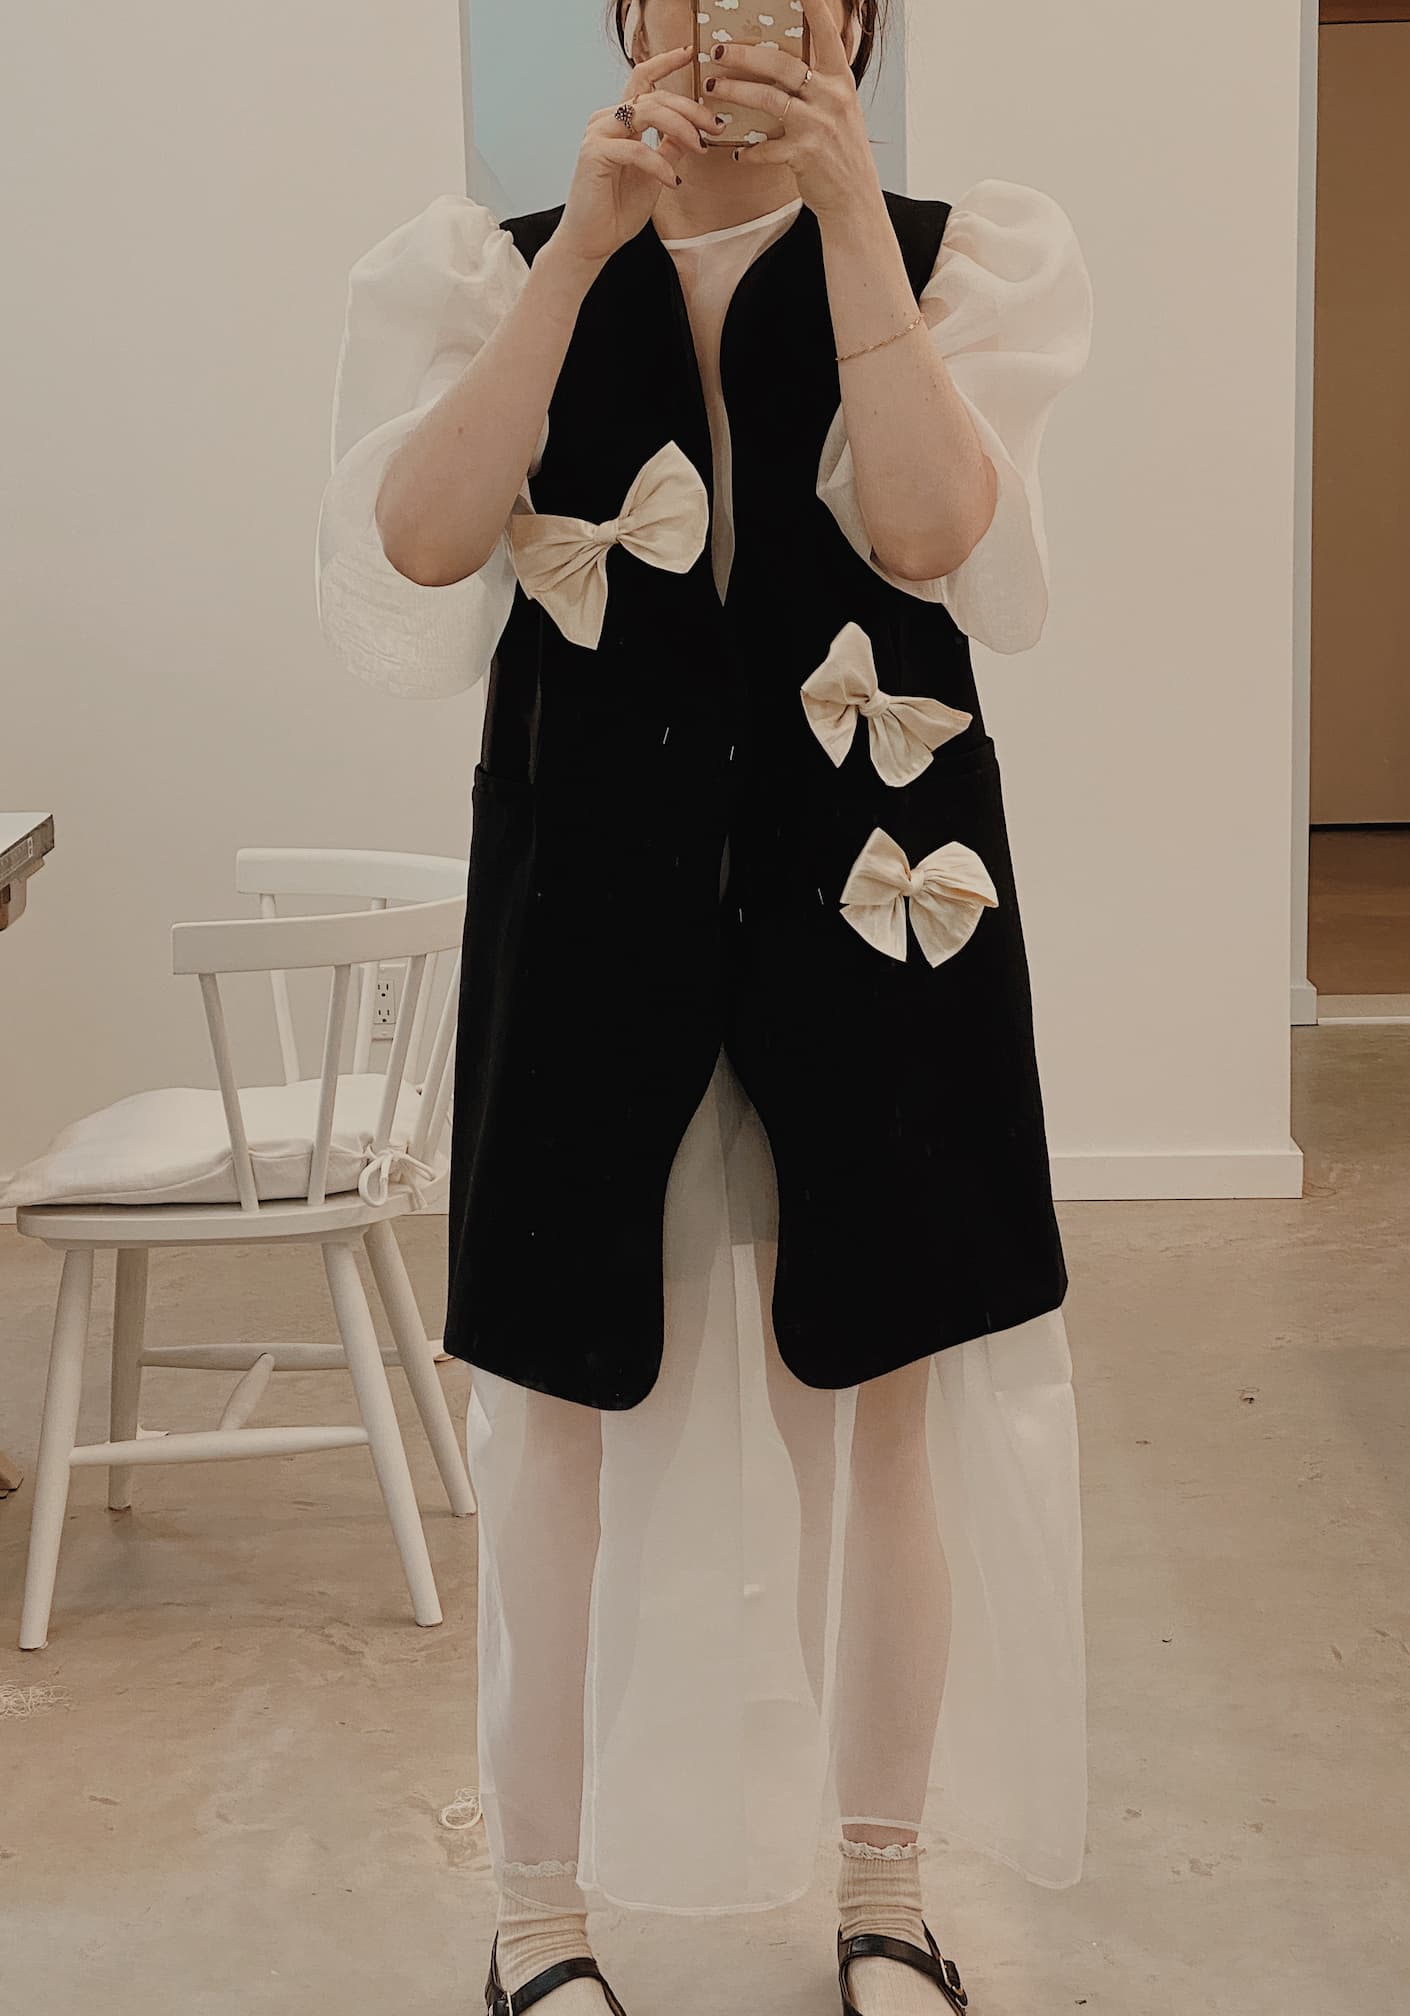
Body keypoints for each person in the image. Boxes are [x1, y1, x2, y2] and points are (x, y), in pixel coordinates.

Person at [315, 2, 1094, 2010]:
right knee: (555, 1416)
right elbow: (415, 541)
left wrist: (847, 227)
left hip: (882, 907)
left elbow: (925, 529)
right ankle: (538, 1929)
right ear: (627, 14)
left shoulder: (956, 252)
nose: (738, 12)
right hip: (590, 913)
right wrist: (580, 249)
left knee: (886, 1408)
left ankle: (885, 1894)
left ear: (853, 18)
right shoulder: (491, 260)